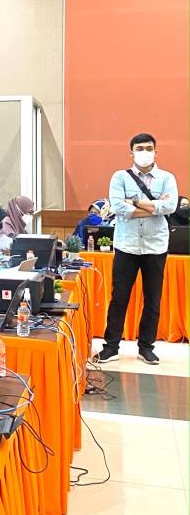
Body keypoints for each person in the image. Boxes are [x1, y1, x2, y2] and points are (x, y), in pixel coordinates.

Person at [94, 133, 178, 366]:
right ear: (131, 153)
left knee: (153, 300)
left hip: (155, 247)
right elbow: (118, 207)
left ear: (156, 152)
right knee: (119, 298)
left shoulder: (167, 178)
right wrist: (154, 206)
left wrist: (133, 202)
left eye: (149, 148)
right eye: (139, 148)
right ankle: (111, 347)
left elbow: (170, 206)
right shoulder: (120, 177)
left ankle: (146, 347)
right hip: (126, 246)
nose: (144, 152)